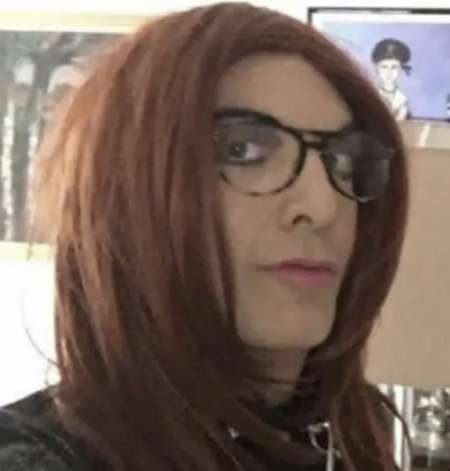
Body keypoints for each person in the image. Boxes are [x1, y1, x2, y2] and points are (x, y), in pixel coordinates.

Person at [0, 3, 409, 471]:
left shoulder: (356, 433)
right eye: (243, 150)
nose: (322, 207)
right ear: (129, 190)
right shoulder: (35, 459)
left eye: (346, 160)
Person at [371, 38, 412, 121]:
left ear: (400, 69)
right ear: (377, 69)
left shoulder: (402, 100)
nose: (388, 72)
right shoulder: (371, 96)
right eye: (384, 67)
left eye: (394, 67)